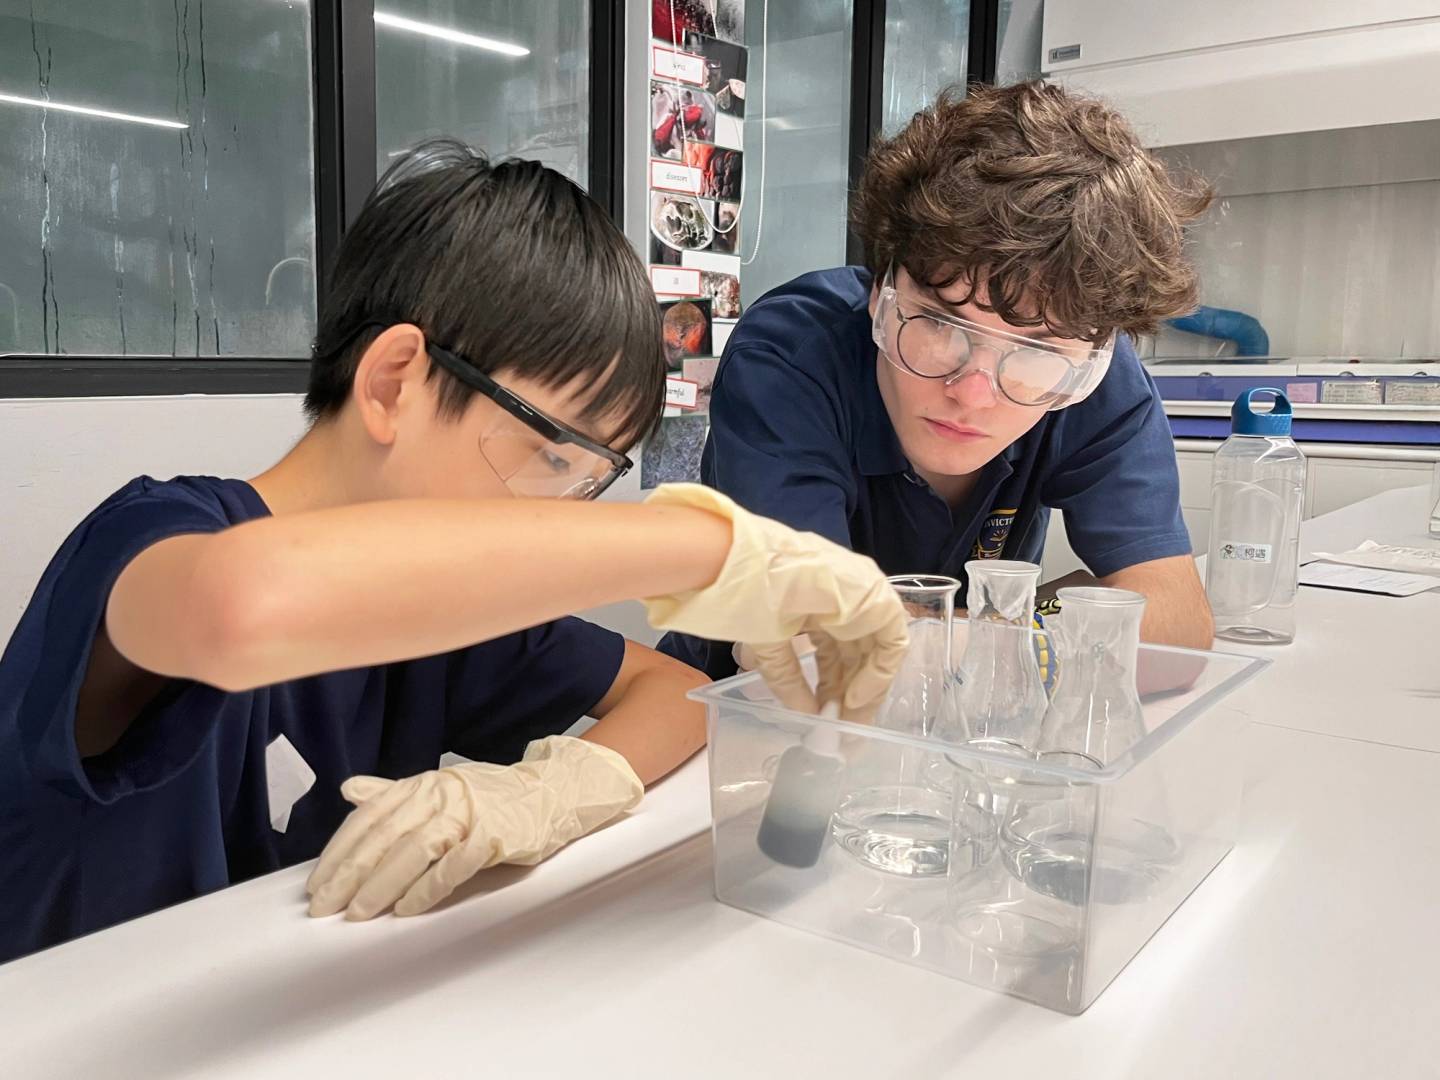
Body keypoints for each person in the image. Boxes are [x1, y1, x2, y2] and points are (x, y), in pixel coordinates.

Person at [0, 140, 906, 963]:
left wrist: (553, 792)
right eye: (554, 456)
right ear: (396, 381)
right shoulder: (148, 537)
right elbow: (241, 609)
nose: (560, 508)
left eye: (590, 478)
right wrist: (710, 548)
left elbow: (672, 691)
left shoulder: (448, 626)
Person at [661, 82, 1216, 681]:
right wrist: (1054, 631)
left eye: (1033, 356)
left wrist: (986, 644)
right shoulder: (793, 357)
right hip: (741, 715)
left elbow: (1178, 629)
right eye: (940, 325)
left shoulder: (1094, 373)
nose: (972, 392)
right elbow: (818, 646)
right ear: (881, 292)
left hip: (971, 726)